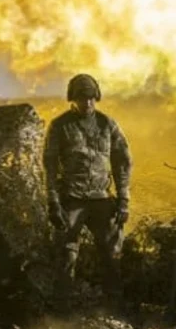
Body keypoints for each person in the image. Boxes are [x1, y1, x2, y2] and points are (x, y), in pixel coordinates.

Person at [42, 73, 133, 296]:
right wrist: (53, 201)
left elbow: (122, 161)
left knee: (112, 253)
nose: (87, 103)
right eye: (82, 98)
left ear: (97, 97)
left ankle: (113, 307)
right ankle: (62, 313)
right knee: (66, 255)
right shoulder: (60, 126)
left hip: (101, 199)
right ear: (73, 98)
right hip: (72, 200)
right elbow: (50, 166)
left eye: (91, 98)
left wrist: (123, 199)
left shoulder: (107, 124)